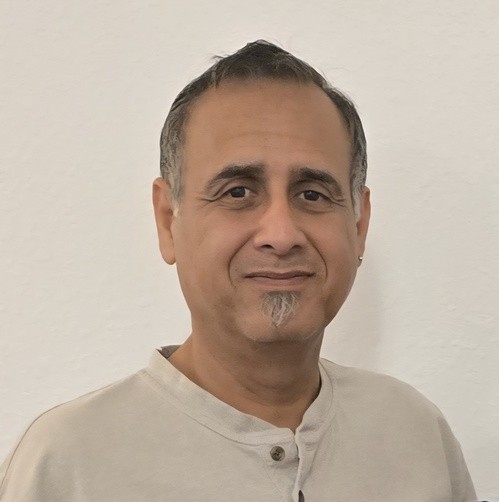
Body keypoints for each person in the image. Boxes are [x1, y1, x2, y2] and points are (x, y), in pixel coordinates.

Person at [0, 40, 476, 501]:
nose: (281, 234)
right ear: (168, 221)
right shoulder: (69, 464)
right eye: (238, 192)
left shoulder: (416, 435)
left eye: (312, 194)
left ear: (358, 225)